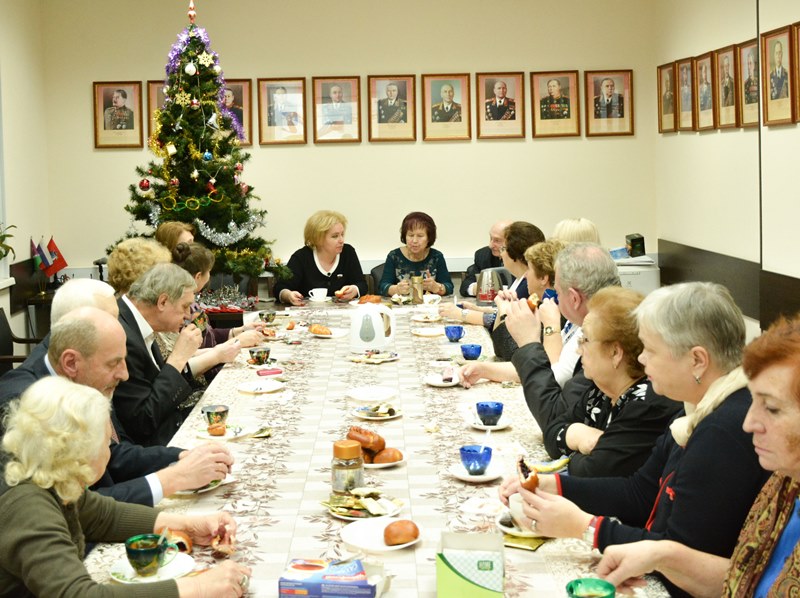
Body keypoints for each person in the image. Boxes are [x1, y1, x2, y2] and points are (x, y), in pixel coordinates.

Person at [499, 282, 770, 598]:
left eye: (651, 350)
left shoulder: (724, 430)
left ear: (697, 360)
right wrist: (555, 485)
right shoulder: (694, 408)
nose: (641, 360)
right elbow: (640, 491)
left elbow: (680, 557)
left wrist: (586, 528)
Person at [595, 316, 800, 597]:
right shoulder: (784, 483)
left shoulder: (721, 433)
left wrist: (589, 529)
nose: (749, 423)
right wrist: (662, 555)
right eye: (754, 402)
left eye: (772, 409)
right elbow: (745, 582)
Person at [0, 376, 250, 597]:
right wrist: (197, 589)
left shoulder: (49, 476)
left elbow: (104, 516)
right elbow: (77, 594)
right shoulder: (29, 508)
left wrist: (189, 527)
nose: (110, 448)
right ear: (82, 450)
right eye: (105, 441)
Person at [0, 307, 234, 507]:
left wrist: (181, 456)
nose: (124, 374)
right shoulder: (23, 403)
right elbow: (70, 506)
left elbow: (113, 453)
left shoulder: (83, 380)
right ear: (71, 362)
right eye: (114, 363)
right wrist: (173, 478)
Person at [528, 287, 681, 477]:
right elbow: (551, 434)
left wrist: (572, 452)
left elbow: (592, 471)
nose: (578, 350)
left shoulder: (645, 403)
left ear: (615, 353)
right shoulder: (601, 392)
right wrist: (577, 434)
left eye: (585, 340)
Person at [460, 243, 618, 393]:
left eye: (559, 291)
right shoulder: (574, 319)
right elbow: (537, 366)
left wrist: (544, 329)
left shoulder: (582, 323)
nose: (526, 275)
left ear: (574, 298)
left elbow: (550, 376)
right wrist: (484, 369)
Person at [114, 263, 202, 447]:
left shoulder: (138, 322)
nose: (188, 315)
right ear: (162, 302)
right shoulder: (122, 334)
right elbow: (142, 422)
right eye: (185, 306)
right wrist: (178, 358)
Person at [167, 242, 260, 383]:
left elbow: (208, 334)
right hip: (206, 377)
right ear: (198, 276)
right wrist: (237, 342)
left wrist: (240, 330)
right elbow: (188, 356)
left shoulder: (192, 302)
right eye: (209, 271)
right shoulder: (181, 309)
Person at [274, 210, 367, 305]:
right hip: (308, 316)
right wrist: (288, 295)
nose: (341, 240)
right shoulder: (301, 257)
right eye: (335, 236)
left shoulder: (348, 253)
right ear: (318, 239)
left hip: (344, 314)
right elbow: (280, 288)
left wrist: (355, 290)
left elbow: (362, 284)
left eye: (342, 234)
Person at [378, 211, 453, 297]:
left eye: (420, 236)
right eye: (410, 235)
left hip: (430, 307)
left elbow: (449, 287)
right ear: (404, 236)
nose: (414, 241)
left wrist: (437, 287)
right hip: (402, 307)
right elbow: (382, 287)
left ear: (429, 238)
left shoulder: (436, 257)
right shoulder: (394, 256)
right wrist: (396, 289)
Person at [458, 220, 512, 297]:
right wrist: (475, 288)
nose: (490, 245)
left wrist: (493, 289)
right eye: (491, 238)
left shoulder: (523, 259)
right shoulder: (483, 255)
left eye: (497, 240)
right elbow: (465, 286)